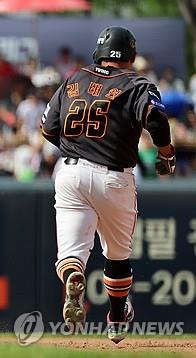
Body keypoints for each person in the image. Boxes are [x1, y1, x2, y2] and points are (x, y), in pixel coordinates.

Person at [41, 26, 176, 344]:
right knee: (117, 255)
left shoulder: (75, 79)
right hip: (114, 176)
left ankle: (74, 275)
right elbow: (155, 119)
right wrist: (166, 153)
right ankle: (116, 318)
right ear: (131, 55)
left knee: (71, 254)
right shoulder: (136, 83)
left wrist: (81, 146)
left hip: (71, 172)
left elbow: (49, 129)